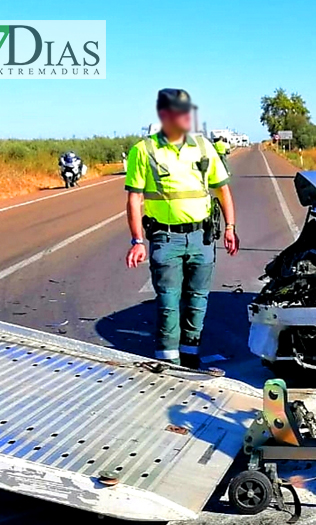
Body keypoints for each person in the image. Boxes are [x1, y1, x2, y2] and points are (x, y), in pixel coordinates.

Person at [123, 89, 240, 368]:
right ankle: (168, 358)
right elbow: (134, 198)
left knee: (198, 299)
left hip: (202, 237)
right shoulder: (144, 150)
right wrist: (137, 241)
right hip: (166, 239)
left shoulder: (202, 147)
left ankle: (190, 352)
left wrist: (230, 227)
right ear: (164, 115)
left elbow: (222, 190)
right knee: (168, 301)